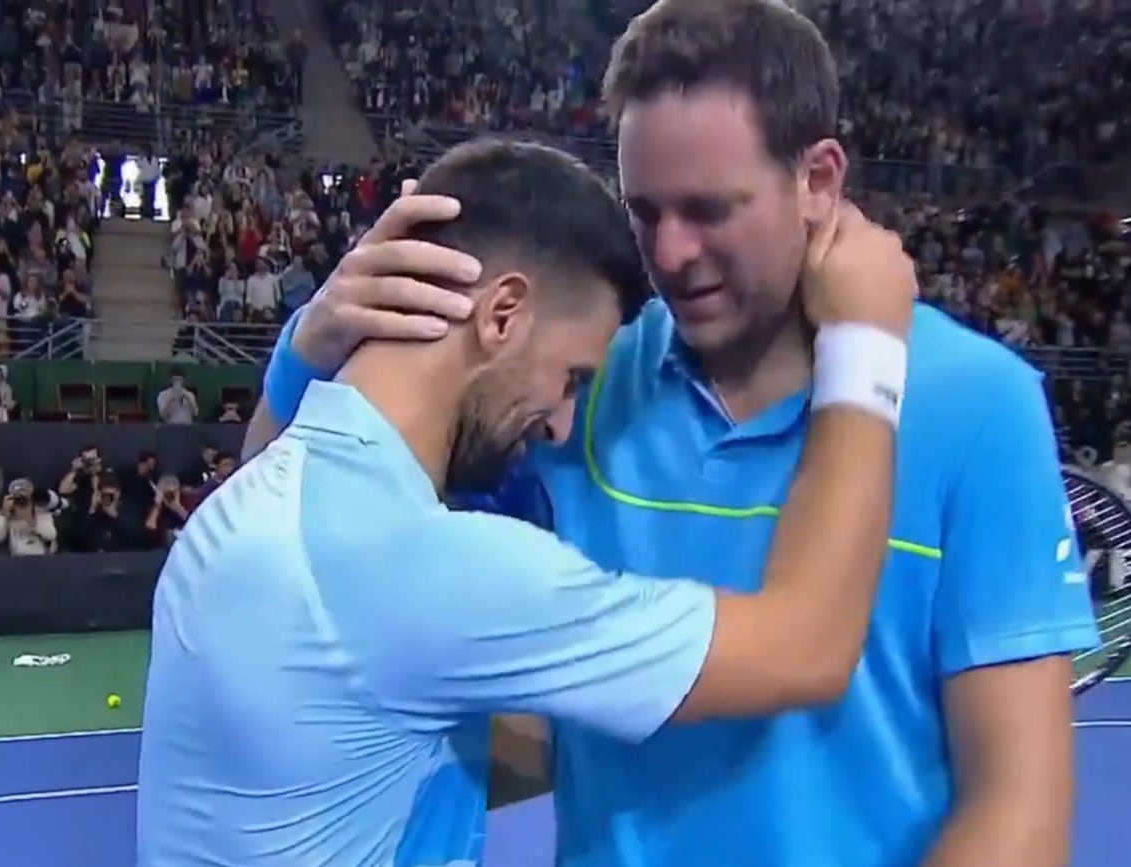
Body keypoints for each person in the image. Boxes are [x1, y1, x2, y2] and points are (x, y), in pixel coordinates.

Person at [244, 2, 1100, 865]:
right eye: (646, 212)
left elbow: (1017, 810)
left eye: (709, 208)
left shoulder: (979, 402)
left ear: (818, 180)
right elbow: (289, 545)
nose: (674, 252)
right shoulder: (579, 388)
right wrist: (307, 349)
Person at [139, 138, 916, 865]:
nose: (560, 423)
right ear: (501, 314)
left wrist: (308, 343)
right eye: (572, 377)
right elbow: (806, 649)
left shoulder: (254, 508)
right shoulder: (421, 566)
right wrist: (865, 346)